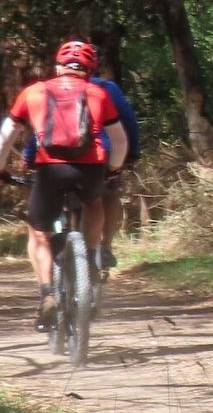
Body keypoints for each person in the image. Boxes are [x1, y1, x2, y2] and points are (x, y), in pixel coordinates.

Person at [0, 40, 129, 329]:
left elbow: (6, 136)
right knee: (93, 203)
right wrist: (113, 169)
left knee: (39, 232)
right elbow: (120, 140)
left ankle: (47, 294)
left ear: (57, 67)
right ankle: (91, 257)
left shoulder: (34, 92)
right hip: (90, 168)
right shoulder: (99, 93)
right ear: (90, 70)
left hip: (49, 169)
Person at [20, 45, 140, 271]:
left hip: (54, 158)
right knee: (109, 191)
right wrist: (131, 153)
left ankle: (51, 252)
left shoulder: (48, 89)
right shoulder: (106, 89)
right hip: (98, 158)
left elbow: (41, 130)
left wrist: (28, 157)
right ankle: (104, 247)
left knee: (47, 197)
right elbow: (129, 122)